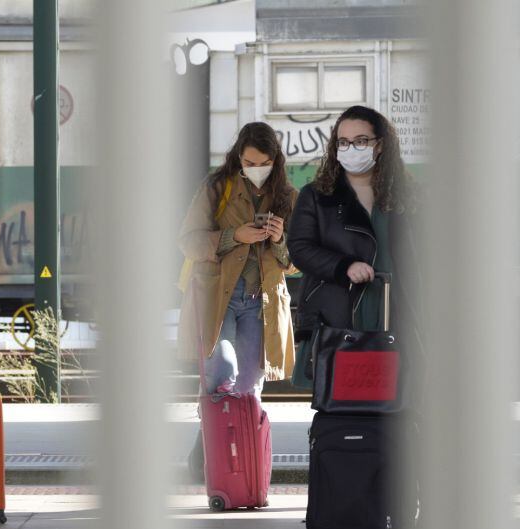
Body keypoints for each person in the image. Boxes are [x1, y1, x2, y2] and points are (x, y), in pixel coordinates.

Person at [178, 122, 298, 475]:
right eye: (248, 161)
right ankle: (210, 456)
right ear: (238, 157)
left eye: (263, 162)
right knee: (219, 377)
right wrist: (235, 235)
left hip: (261, 301)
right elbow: (188, 240)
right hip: (219, 297)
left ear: (275, 161)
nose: (255, 169)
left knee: (249, 387)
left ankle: (244, 465)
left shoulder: (287, 197)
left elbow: (295, 261)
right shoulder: (218, 187)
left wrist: (277, 240)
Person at [287, 105, 420, 389]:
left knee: (396, 406)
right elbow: (299, 248)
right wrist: (343, 266)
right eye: (343, 142)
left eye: (361, 141)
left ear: (380, 145)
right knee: (341, 403)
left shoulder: (407, 196)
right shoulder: (316, 196)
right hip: (337, 315)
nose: (351, 148)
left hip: (396, 312)